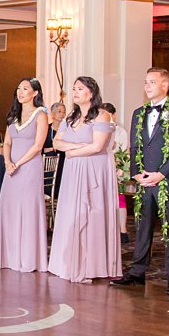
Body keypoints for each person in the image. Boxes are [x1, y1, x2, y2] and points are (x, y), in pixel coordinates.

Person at [112, 68, 169, 294]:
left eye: (152, 82)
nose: (147, 87)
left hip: (168, 180)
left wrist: (161, 174)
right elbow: (135, 146)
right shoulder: (139, 113)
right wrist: (137, 173)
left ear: (165, 85)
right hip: (144, 180)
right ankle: (137, 272)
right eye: (145, 82)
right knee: (143, 227)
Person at [47, 77, 123, 283]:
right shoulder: (70, 117)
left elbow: (98, 146)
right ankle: (67, 262)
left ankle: (92, 264)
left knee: (91, 212)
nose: (75, 92)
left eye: (80, 88)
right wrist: (74, 149)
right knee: (72, 212)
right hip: (73, 169)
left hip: (94, 168)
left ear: (91, 92)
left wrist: (72, 150)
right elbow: (56, 142)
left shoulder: (102, 115)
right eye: (74, 89)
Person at [0, 78, 49, 273]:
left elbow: (38, 146)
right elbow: (7, 142)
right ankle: (9, 256)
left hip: (29, 167)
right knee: (10, 207)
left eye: (25, 89)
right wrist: (7, 162)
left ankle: (28, 257)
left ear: (35, 93)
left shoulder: (41, 115)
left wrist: (19, 163)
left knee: (28, 208)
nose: (21, 92)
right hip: (11, 169)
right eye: (18, 89)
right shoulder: (13, 116)